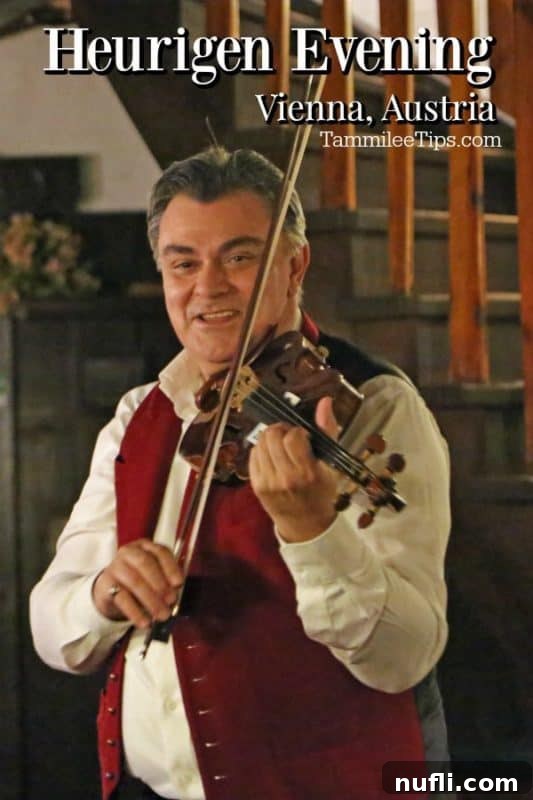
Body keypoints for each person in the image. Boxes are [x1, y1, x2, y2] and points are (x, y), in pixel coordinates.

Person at [30, 147, 451, 800]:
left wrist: (314, 530)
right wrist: (103, 594)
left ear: (294, 266)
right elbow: (53, 628)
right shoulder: (138, 414)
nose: (207, 287)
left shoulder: (376, 409)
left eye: (239, 257)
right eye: (183, 263)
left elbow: (403, 658)